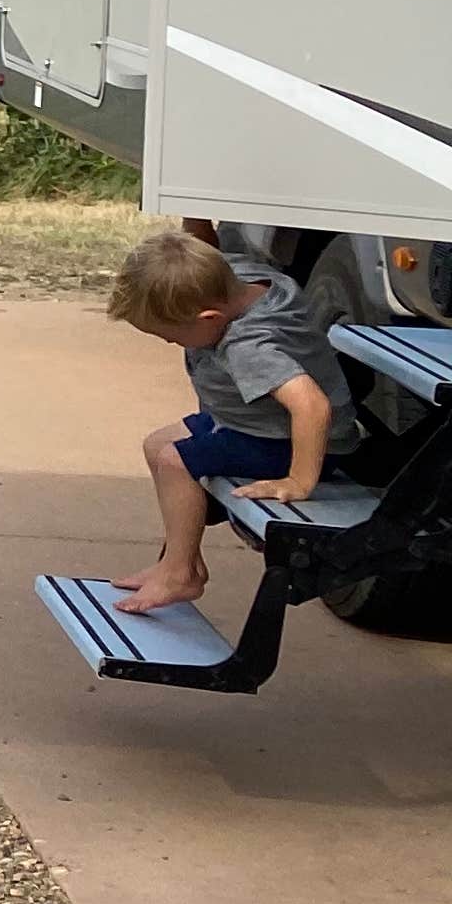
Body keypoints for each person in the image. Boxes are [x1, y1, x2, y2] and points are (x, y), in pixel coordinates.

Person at [104, 227, 363, 615]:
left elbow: (312, 406)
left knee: (177, 461)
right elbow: (205, 248)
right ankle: (175, 558)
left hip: (289, 443)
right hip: (250, 422)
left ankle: (182, 572)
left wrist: (299, 480)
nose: (172, 345)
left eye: (173, 338)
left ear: (209, 318)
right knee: (157, 444)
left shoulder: (249, 346)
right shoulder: (235, 276)